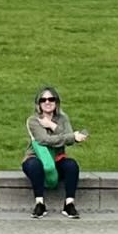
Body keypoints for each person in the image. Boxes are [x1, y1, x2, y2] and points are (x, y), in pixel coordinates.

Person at [24, 86, 88, 217]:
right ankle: (39, 203)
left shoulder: (63, 118)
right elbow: (43, 140)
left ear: (56, 102)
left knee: (71, 165)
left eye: (51, 99)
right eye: (43, 100)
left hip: (57, 158)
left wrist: (52, 126)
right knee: (34, 165)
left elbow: (69, 140)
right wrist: (69, 136)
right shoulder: (33, 120)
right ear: (39, 103)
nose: (47, 102)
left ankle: (69, 204)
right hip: (36, 157)